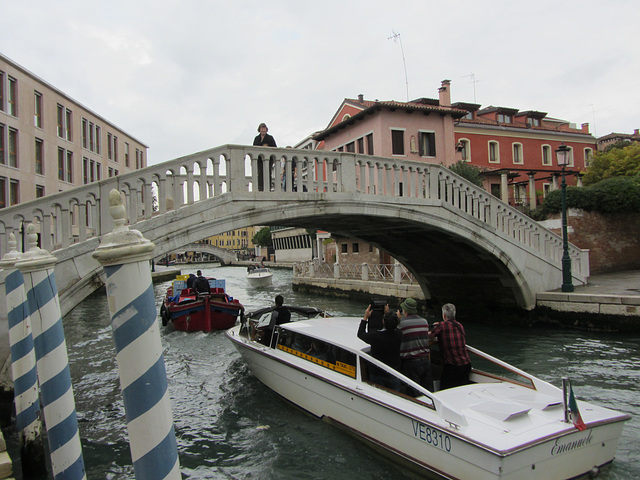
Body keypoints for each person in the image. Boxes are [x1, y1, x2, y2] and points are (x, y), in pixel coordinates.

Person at [429, 303, 471, 390]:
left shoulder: (441, 326)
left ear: (444, 315)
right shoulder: (460, 325)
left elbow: (429, 336)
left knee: (445, 390)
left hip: (452, 366)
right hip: (466, 364)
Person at [357, 306, 401, 389]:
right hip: (393, 372)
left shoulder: (376, 336)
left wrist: (365, 317)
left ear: (383, 321)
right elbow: (396, 328)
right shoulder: (399, 334)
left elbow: (360, 334)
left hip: (377, 372)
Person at [397, 297, 434, 393]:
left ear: (405, 311)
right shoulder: (424, 322)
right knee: (428, 391)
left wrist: (398, 320)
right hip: (425, 361)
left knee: (413, 392)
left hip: (411, 363)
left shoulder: (402, 324)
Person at [253, 123, 277, 191]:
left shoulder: (270, 138)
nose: (263, 130)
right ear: (259, 130)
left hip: (268, 159)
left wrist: (267, 147)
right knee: (260, 173)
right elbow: (253, 148)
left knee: (268, 172)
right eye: (261, 129)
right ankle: (260, 188)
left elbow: (275, 147)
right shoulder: (257, 138)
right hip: (259, 159)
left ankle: (268, 187)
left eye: (264, 129)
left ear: (266, 130)